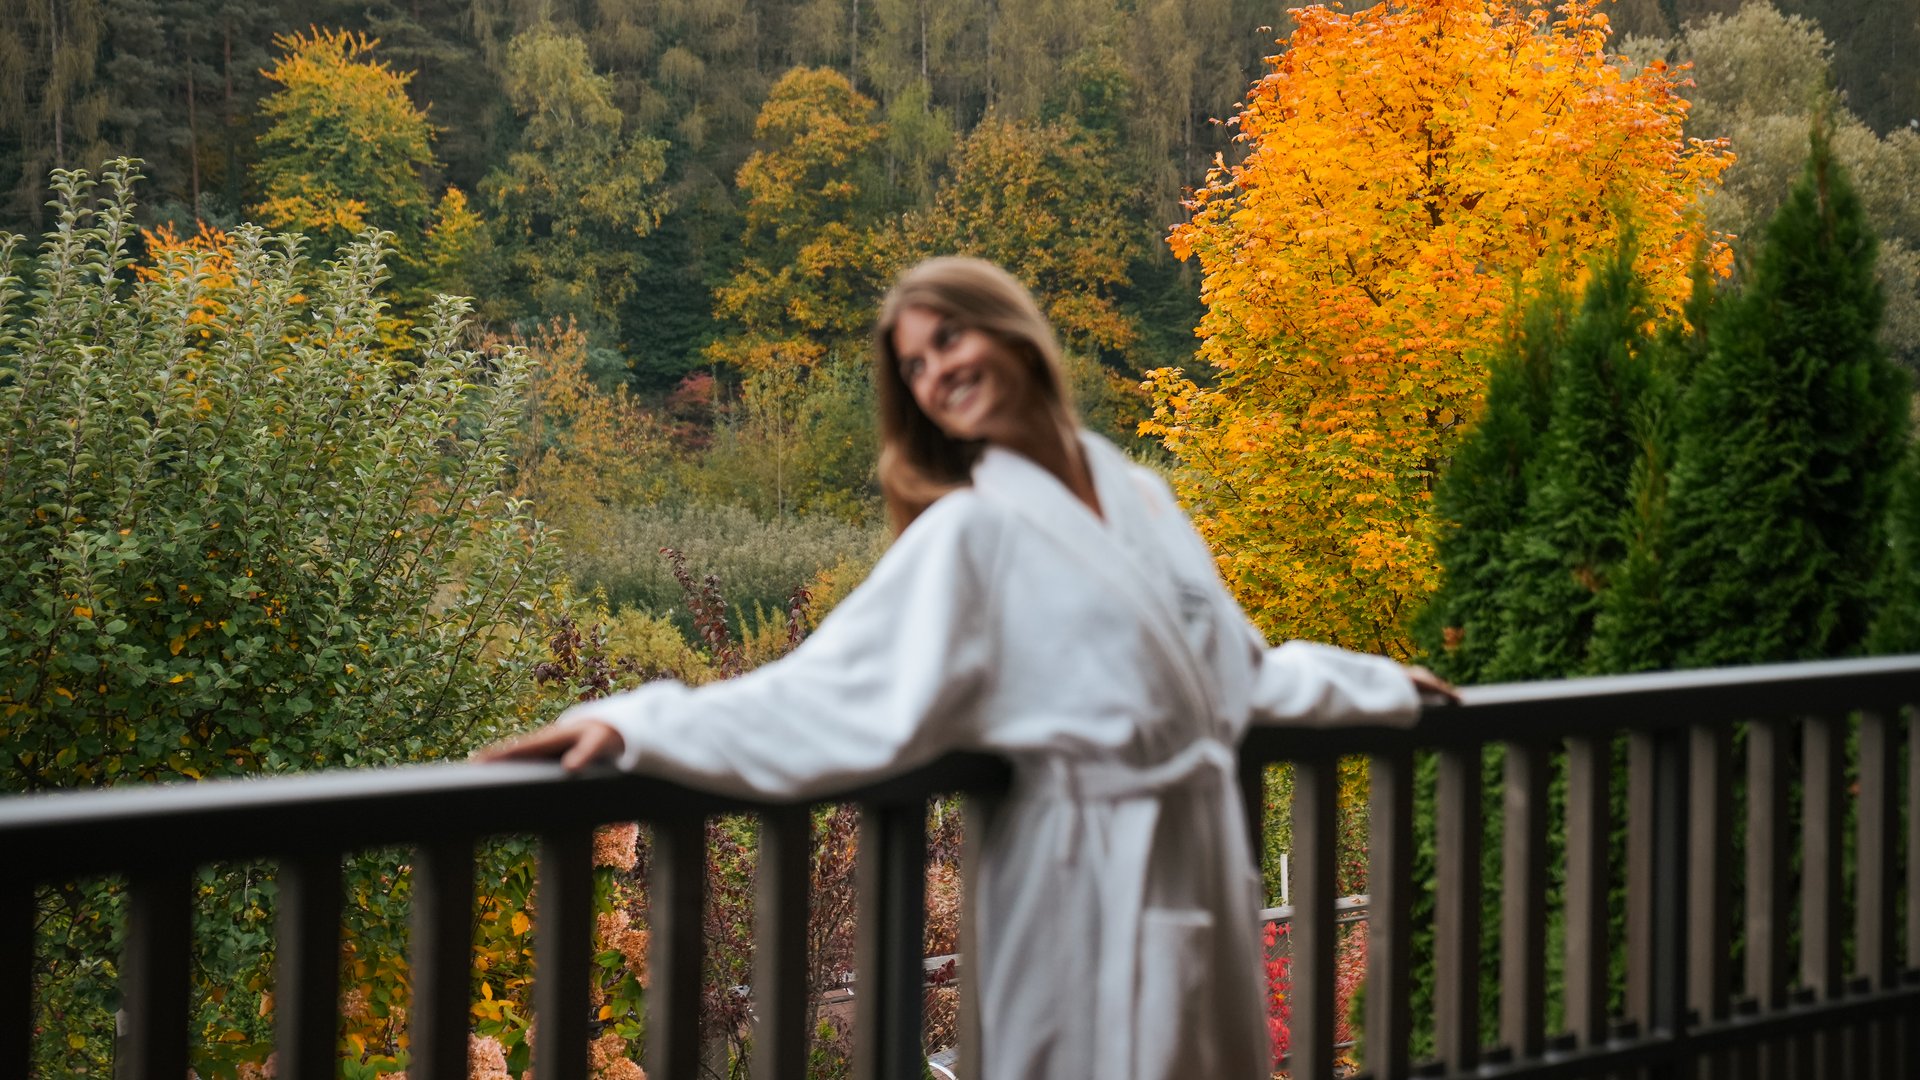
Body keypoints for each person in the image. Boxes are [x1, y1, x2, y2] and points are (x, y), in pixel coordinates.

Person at [480, 256, 1456, 1079]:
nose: (936, 371)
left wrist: (1375, 686)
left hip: (1197, 870)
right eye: (914, 364)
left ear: (1014, 333)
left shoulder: (1143, 497)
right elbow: (828, 690)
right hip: (1085, 891)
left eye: (948, 339)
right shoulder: (972, 533)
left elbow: (1239, 673)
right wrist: (637, 724)